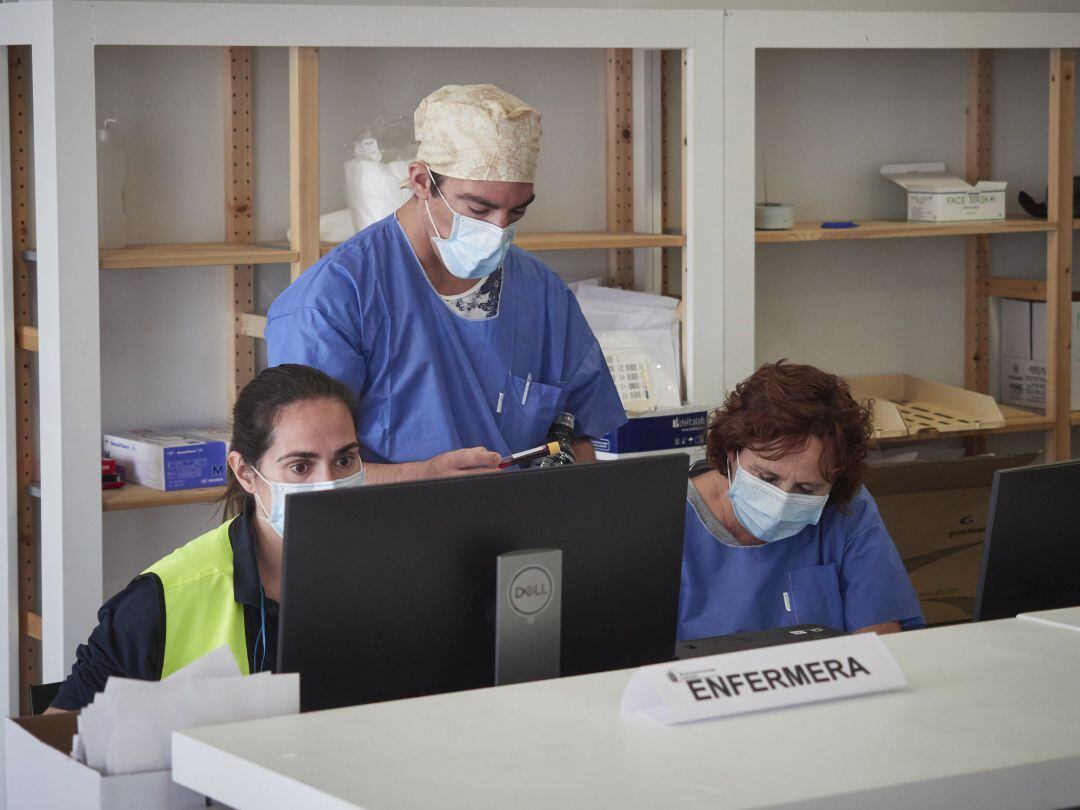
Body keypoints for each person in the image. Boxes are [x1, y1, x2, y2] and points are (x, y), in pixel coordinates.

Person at [49, 364, 488, 711]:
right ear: (246, 473)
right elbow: (61, 744)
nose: (328, 484)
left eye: (344, 460)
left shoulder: (405, 577)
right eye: (300, 466)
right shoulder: (161, 600)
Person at [265, 84, 626, 478]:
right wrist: (424, 476)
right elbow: (302, 474)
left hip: (522, 517)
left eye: (516, 212)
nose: (498, 230)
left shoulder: (541, 293)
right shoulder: (332, 300)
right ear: (422, 181)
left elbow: (580, 437)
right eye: (479, 210)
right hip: (386, 516)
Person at [678, 360, 925, 641]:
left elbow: (881, 637)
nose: (782, 501)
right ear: (731, 452)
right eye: (767, 478)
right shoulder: (671, 520)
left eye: (806, 489)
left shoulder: (848, 510)